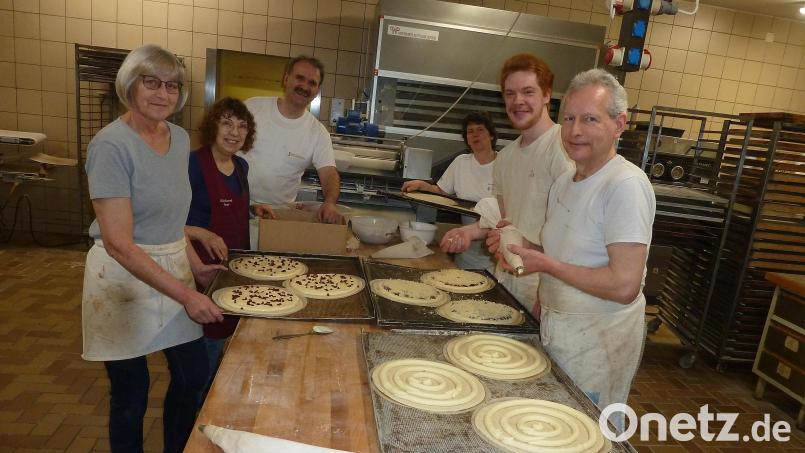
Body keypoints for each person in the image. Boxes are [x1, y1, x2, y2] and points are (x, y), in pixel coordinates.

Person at [490, 68, 656, 430]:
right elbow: (557, 251)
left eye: (590, 119)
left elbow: (624, 285)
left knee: (584, 434)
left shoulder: (625, 185)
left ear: (620, 124)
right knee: (551, 428)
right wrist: (519, 245)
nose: (575, 131)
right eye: (568, 118)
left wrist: (547, 266)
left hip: (600, 341)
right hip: (559, 326)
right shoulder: (566, 181)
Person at [81, 44, 224, 453]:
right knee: (132, 393)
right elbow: (119, 243)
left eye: (172, 86)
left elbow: (171, 215)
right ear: (130, 85)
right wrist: (188, 295)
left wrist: (194, 267)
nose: (163, 94)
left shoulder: (177, 138)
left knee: (192, 377)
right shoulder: (111, 146)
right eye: (152, 83)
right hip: (123, 279)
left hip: (172, 269)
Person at [439, 54, 572, 312]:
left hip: (544, 294)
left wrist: (545, 300)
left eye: (528, 92)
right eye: (510, 94)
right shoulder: (507, 157)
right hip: (507, 285)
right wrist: (472, 233)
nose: (518, 101)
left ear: (547, 94)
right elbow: (503, 217)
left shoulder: (563, 150)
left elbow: (572, 238)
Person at [185, 97, 257, 384]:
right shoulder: (192, 165)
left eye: (242, 126)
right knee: (203, 348)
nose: (234, 132)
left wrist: (254, 208)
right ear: (212, 126)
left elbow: (234, 210)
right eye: (226, 123)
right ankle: (198, 408)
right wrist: (200, 232)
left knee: (227, 343)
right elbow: (166, 220)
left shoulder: (241, 167)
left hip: (233, 268)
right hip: (200, 269)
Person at [242, 55, 341, 233]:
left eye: (312, 82)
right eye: (300, 78)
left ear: (317, 90)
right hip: (237, 206)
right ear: (286, 79)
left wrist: (330, 202)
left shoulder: (317, 133)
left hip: (276, 217)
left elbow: (329, 173)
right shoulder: (252, 109)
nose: (304, 86)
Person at [402, 112, 498, 271]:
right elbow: (442, 191)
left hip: (494, 250)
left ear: (492, 135)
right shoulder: (461, 162)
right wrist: (422, 185)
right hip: (464, 247)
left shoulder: (504, 164)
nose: (475, 135)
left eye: (480, 130)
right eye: (470, 131)